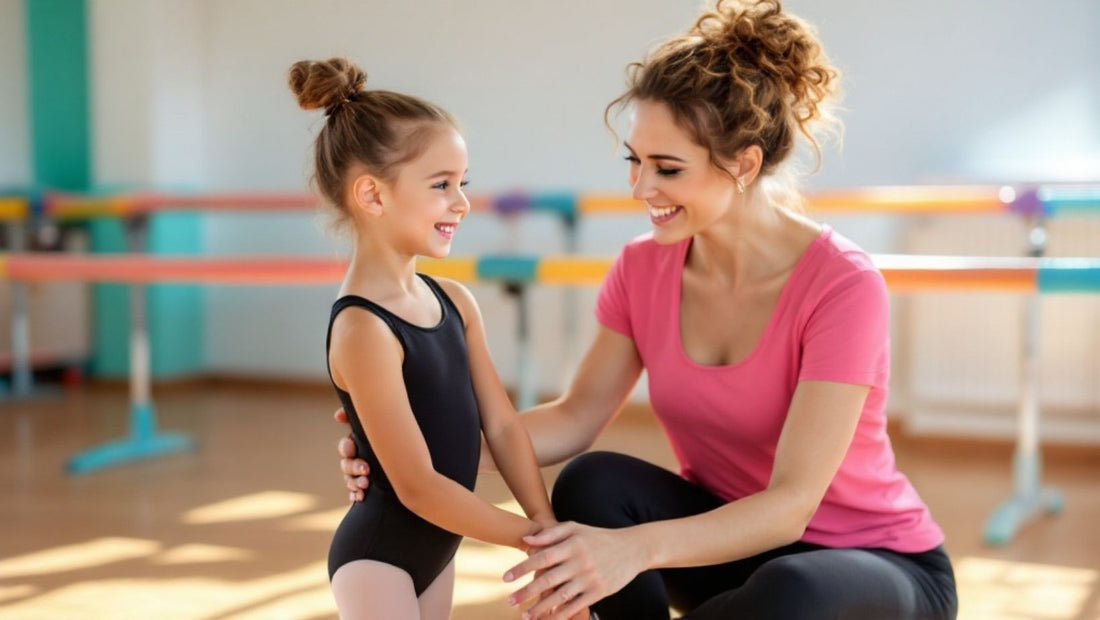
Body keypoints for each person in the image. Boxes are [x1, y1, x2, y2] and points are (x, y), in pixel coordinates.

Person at [336, 1, 958, 618]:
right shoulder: (642, 268)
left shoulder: (842, 286)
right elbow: (576, 417)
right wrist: (406, 456)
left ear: (743, 164)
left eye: (667, 168)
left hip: (870, 568)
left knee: (797, 588)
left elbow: (792, 505)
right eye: (635, 161)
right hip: (724, 550)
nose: (640, 189)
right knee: (593, 482)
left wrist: (632, 550)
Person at [291, 58, 562, 620]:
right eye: (441, 185)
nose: (461, 203)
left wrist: (548, 525)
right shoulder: (363, 328)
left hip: (438, 548)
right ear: (372, 196)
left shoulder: (456, 302)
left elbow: (505, 426)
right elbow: (417, 487)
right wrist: (530, 540)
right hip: (379, 559)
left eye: (463, 184)